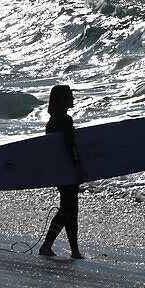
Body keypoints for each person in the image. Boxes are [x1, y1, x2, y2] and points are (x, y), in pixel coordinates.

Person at [39, 85, 85, 259]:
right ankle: (47, 245)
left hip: (60, 169)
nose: (72, 99)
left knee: (71, 209)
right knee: (68, 209)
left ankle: (74, 250)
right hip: (67, 168)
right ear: (62, 99)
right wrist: (77, 165)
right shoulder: (65, 120)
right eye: (70, 96)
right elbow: (70, 146)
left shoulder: (51, 122)